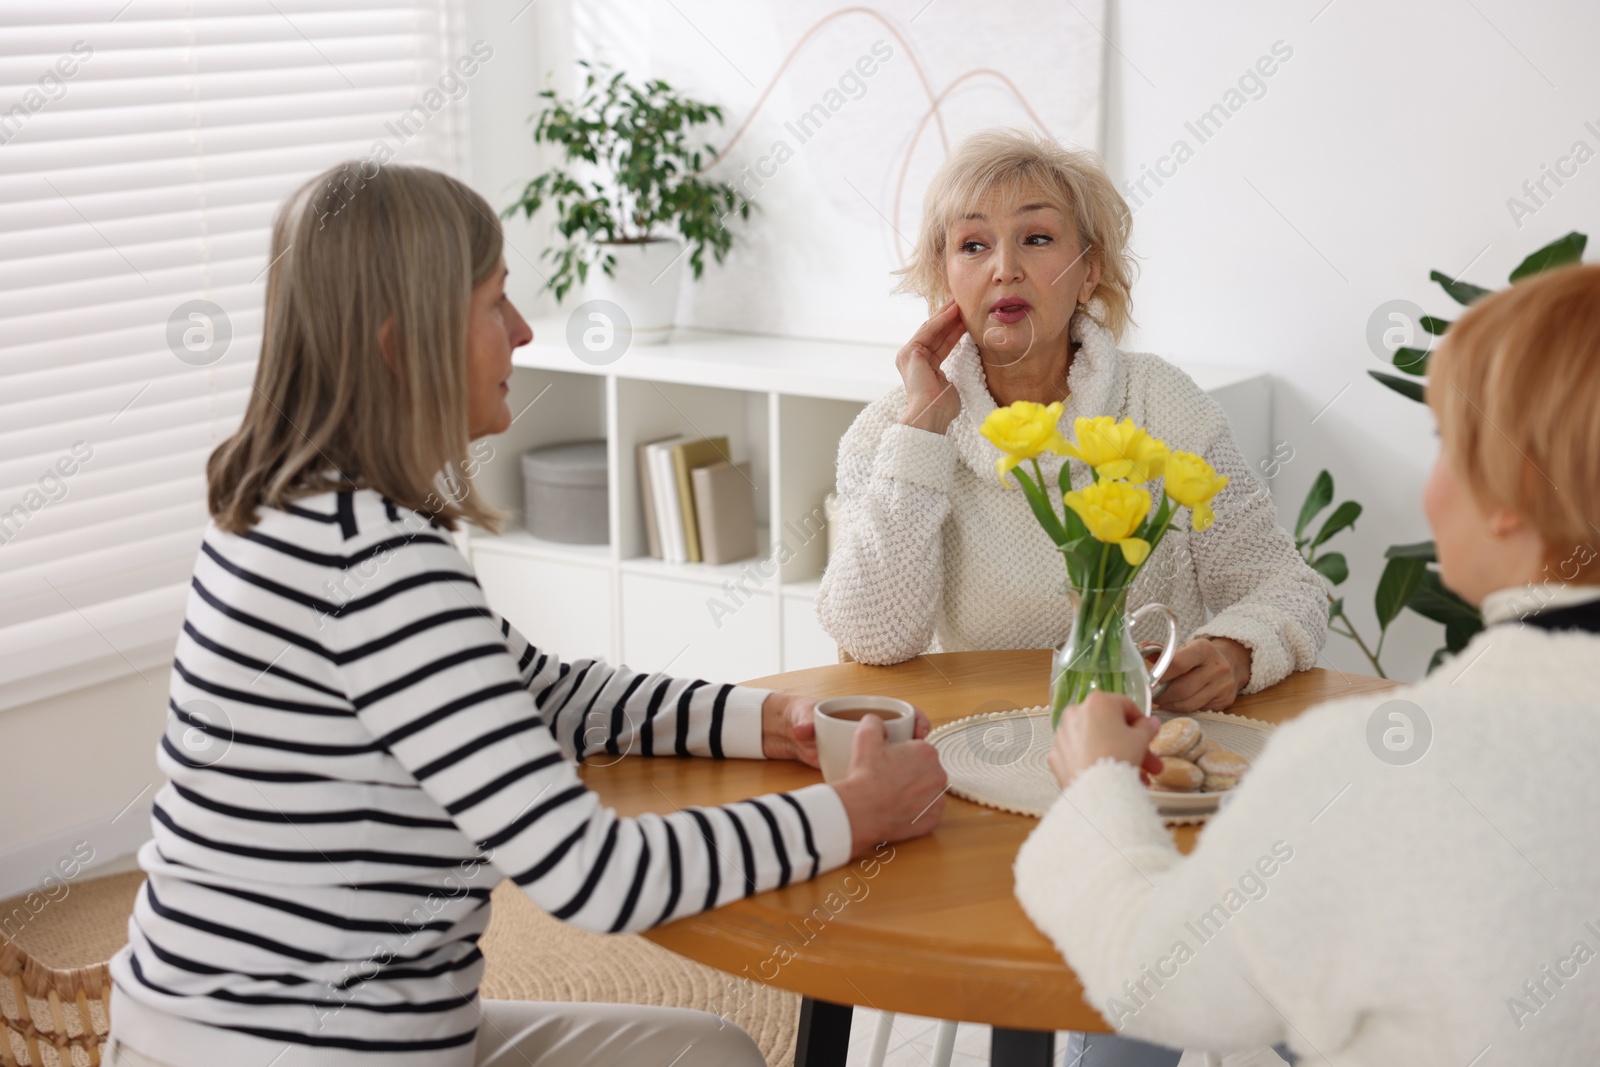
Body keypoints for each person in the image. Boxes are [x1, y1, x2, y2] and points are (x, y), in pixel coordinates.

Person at [104, 161, 948, 1067]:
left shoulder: (289, 511)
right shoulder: (375, 566)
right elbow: (596, 874)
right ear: (403, 345)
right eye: (495, 302)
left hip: (228, 1031)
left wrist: (765, 722)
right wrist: (852, 813)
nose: (523, 330)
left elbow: (549, 692)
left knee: (707, 1052)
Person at [1015, 263, 1600, 1065]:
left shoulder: (1375, 770)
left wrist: (1094, 789)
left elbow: (1153, 975)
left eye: (1443, 444)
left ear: (1508, 491)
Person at [817, 128, 1327, 715]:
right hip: (977, 741)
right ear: (944, 276)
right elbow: (870, 640)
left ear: (1090, 271)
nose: (1004, 269)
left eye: (1036, 238)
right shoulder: (894, 433)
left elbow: (1289, 588)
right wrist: (924, 430)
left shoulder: (1163, 403)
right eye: (974, 246)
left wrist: (1235, 651)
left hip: (1142, 741)